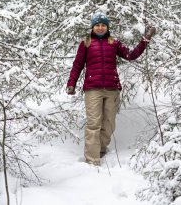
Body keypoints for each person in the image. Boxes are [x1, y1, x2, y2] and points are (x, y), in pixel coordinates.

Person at [66, 12, 156, 166]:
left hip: (112, 88)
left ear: (107, 27)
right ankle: (92, 160)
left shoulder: (114, 43)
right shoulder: (86, 43)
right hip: (92, 89)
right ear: (92, 27)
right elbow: (77, 65)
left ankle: (100, 149)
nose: (100, 28)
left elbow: (131, 55)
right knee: (94, 123)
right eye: (97, 25)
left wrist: (145, 39)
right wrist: (71, 83)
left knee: (109, 123)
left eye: (103, 25)